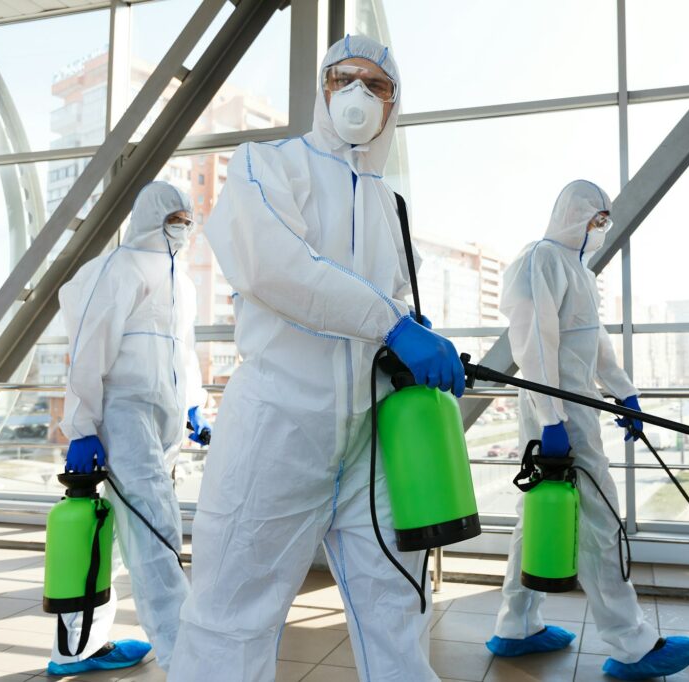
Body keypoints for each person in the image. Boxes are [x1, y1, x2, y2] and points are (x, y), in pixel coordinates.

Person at [169, 35, 463, 682]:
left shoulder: (389, 203)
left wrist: (408, 328)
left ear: (393, 105)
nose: (358, 93)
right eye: (343, 78)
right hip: (279, 423)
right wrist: (391, 323)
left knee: (396, 610)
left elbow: (385, 299)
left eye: (376, 85)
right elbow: (278, 268)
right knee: (231, 616)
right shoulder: (266, 164)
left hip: (373, 434)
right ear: (322, 89)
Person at [486, 180, 689, 679]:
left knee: (537, 516)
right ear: (571, 212)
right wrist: (551, 420)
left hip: (574, 409)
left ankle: (515, 626)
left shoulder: (578, 271)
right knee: (599, 521)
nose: (598, 228)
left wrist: (623, 390)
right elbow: (533, 345)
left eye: (603, 219)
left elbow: (594, 341)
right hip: (558, 411)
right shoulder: (540, 259)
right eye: (592, 217)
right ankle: (632, 645)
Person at [52, 181, 210, 675]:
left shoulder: (180, 282)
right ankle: (186, 652)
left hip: (160, 421)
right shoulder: (122, 269)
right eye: (174, 219)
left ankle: (79, 648)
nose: (182, 228)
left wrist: (193, 407)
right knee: (154, 528)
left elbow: (182, 352)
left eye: (187, 219)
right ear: (150, 217)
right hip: (123, 415)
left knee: (118, 539)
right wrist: (81, 424)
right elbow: (90, 346)